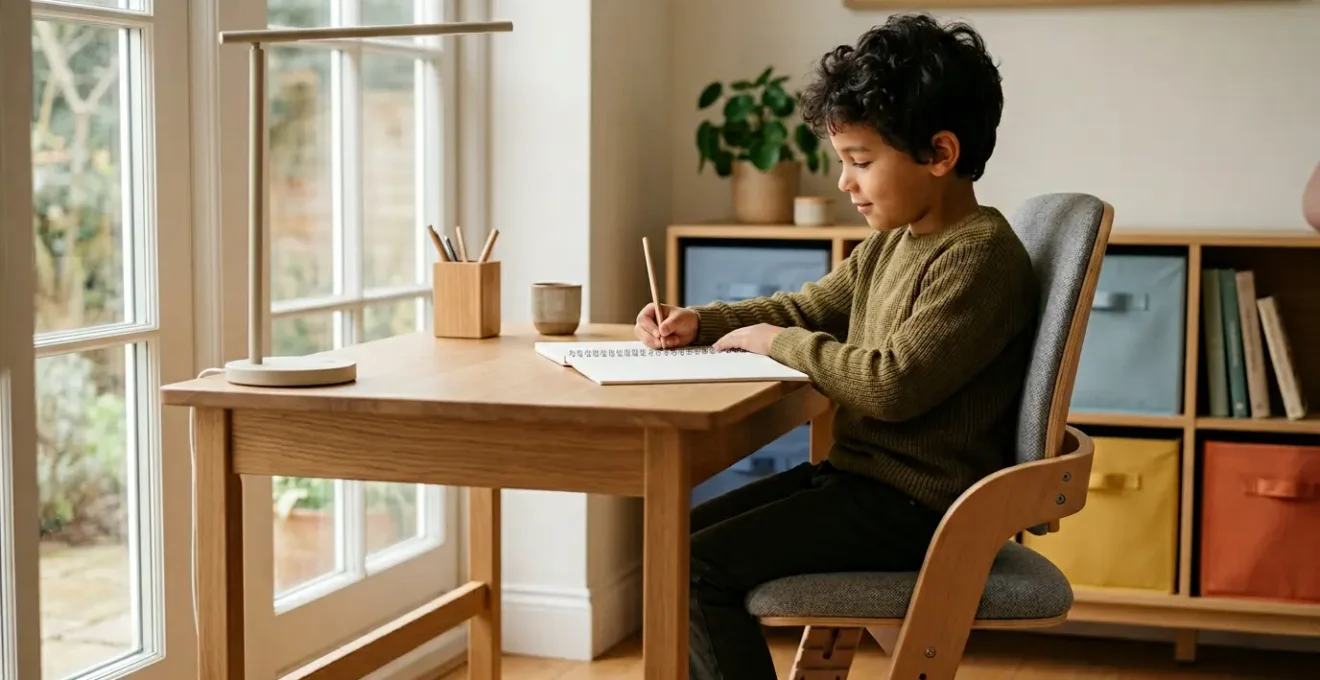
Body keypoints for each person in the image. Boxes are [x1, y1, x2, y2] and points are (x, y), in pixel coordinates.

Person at [633, 13, 1040, 680]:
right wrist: (700, 323)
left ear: (939, 154)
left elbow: (892, 384)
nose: (845, 183)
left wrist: (776, 342)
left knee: (695, 568)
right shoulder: (894, 241)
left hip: (916, 507)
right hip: (863, 483)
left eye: (859, 162)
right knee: (673, 541)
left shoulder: (978, 257)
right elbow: (812, 306)